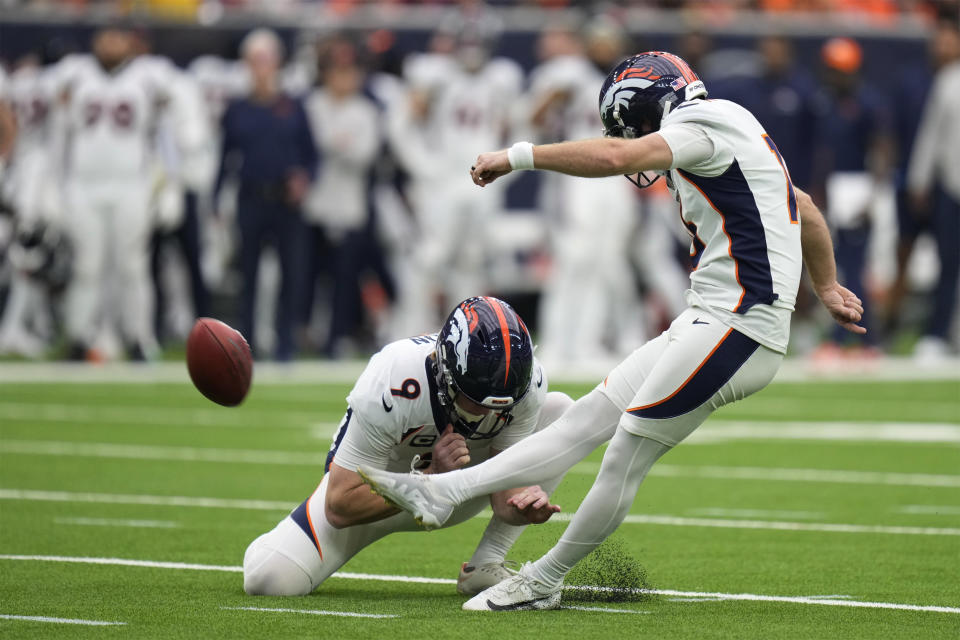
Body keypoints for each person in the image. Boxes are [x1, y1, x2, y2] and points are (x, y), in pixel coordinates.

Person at [358, 51, 865, 611]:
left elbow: (621, 154)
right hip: (711, 319)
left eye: (635, 126)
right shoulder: (732, 123)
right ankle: (439, 492)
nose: (635, 147)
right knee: (584, 421)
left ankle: (542, 580)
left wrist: (518, 156)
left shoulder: (703, 123)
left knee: (625, 451)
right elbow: (806, 207)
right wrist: (826, 287)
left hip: (737, 327)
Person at [243, 296, 574, 597]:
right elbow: (339, 504)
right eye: (475, 400)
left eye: (499, 407)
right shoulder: (396, 376)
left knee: (561, 412)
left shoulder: (527, 387)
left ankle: (485, 566)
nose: (488, 414)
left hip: (465, 480)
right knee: (269, 579)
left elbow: (503, 501)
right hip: (376, 490)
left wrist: (522, 507)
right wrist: (428, 478)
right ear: (445, 370)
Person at [215, 29, 318, 362]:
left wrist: (305, 180)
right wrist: (217, 200)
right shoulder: (238, 109)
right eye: (255, 60)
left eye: (266, 60)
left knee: (292, 275)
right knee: (248, 275)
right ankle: (247, 345)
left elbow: (312, 155)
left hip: (286, 203)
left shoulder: (293, 106)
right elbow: (224, 158)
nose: (261, 67)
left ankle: (285, 342)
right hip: (251, 198)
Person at [903, 17, 960, 361]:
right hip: (952, 187)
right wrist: (919, 179)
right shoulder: (949, 80)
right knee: (948, 264)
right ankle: (938, 334)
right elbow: (931, 135)